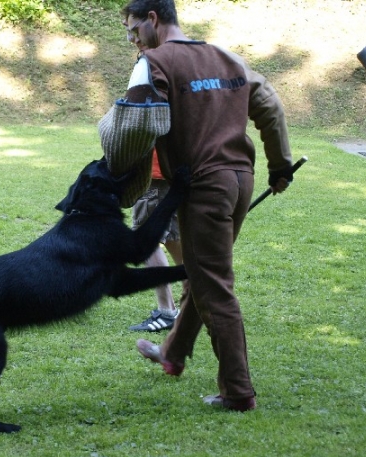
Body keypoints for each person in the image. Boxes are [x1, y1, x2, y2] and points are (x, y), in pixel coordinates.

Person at [121, 0, 293, 411]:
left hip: (203, 186)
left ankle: (238, 392)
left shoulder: (154, 63)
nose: (133, 41)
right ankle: (173, 353)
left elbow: (135, 126)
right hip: (240, 182)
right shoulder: (228, 58)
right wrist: (280, 166)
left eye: (133, 31)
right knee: (202, 272)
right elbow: (270, 106)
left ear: (153, 20)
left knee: (213, 284)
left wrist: (121, 181)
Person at [128, 148, 184, 332]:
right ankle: (200, 300)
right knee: (173, 237)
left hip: (153, 174)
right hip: (177, 171)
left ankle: (166, 312)